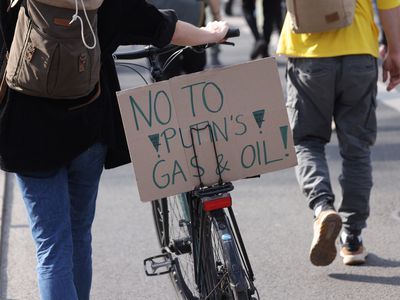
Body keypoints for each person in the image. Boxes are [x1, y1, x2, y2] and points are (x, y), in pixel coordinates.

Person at [0, 0, 229, 299]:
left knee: (52, 248)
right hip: (88, 127)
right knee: (79, 234)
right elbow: (162, 27)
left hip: (27, 133)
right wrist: (211, 33)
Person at [277, 0, 400, 266]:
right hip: (358, 50)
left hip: (307, 51)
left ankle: (322, 208)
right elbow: (389, 3)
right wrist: (395, 50)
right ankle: (352, 237)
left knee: (306, 141)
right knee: (357, 148)